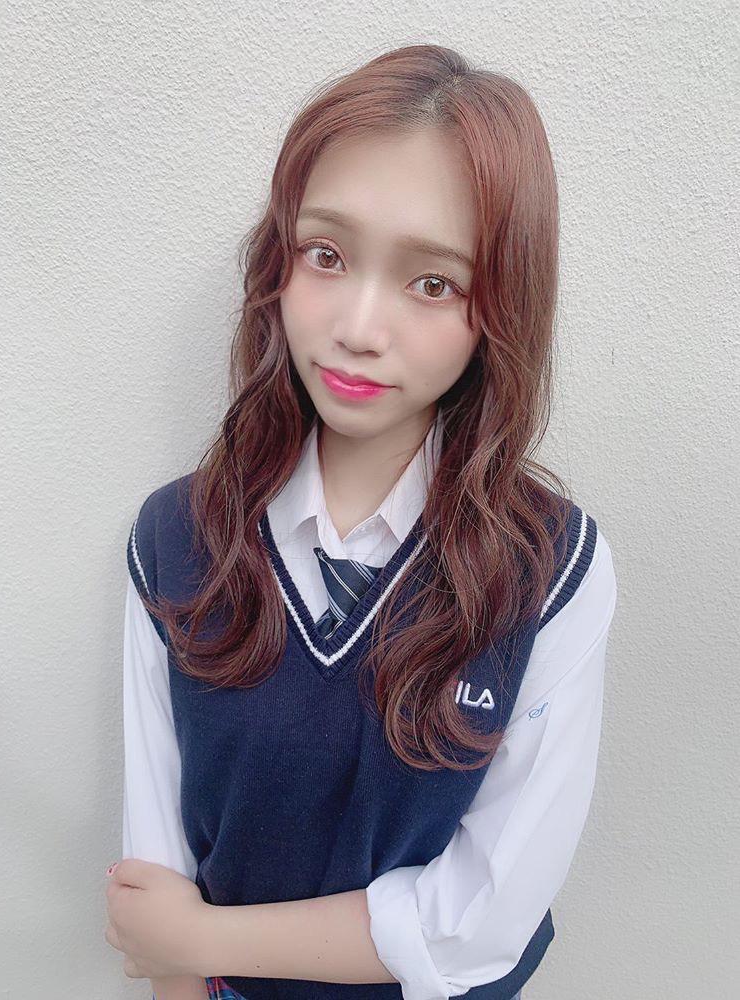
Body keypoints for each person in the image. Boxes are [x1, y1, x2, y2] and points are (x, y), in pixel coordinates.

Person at [116, 43, 617, 1000]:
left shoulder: (552, 571)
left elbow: (482, 923)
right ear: (280, 260)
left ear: (499, 308)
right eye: (328, 256)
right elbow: (155, 881)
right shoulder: (173, 539)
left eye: (433, 283)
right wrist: (181, 954)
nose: (358, 328)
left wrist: (203, 937)